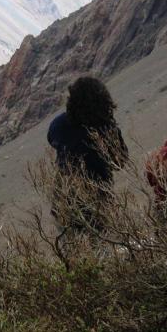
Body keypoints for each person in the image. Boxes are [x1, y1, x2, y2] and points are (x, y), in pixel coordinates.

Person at [46, 76, 128, 232]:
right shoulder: (106, 128)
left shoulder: (59, 124)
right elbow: (120, 161)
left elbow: (52, 140)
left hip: (63, 198)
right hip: (97, 199)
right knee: (101, 246)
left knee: (72, 248)